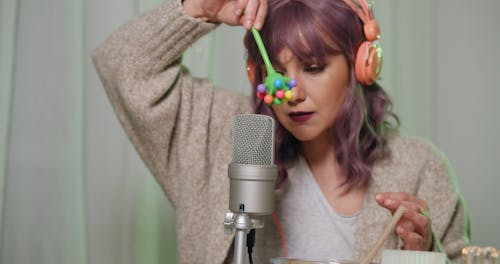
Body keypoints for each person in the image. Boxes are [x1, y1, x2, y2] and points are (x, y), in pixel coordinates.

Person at [92, 0, 471, 263]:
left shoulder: (421, 168)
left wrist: (422, 252)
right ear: (256, 75)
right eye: (276, 72)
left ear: (361, 65)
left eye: (313, 66)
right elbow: (119, 65)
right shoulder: (223, 133)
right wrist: (200, 10)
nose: (292, 94)